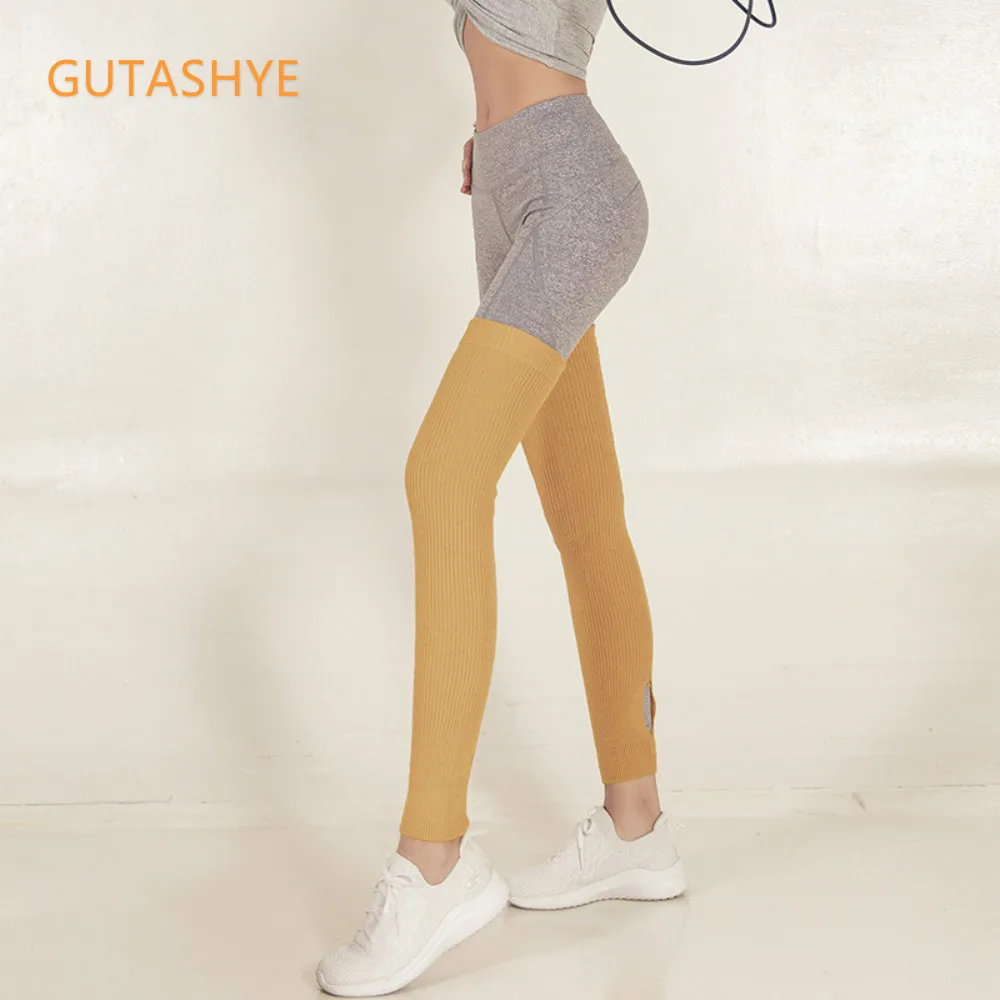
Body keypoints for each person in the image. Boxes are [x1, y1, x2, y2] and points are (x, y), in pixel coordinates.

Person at [317, 2, 686, 995]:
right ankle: (636, 827)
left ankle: (435, 860)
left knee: (443, 473)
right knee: (583, 514)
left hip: (574, 192)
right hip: (507, 186)